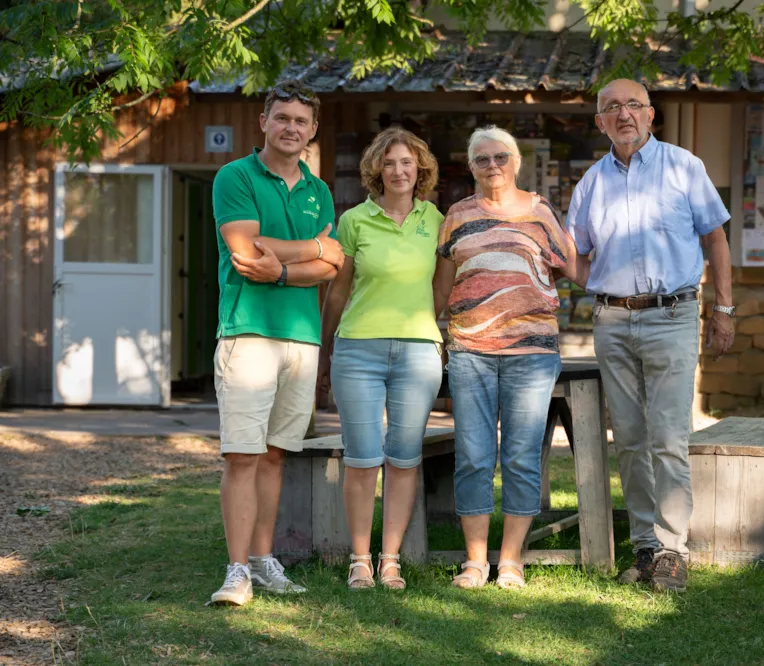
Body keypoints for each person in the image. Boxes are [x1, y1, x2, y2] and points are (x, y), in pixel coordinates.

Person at [565, 79, 735, 593]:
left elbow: (716, 237)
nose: (623, 114)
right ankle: (645, 545)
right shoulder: (591, 183)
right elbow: (575, 257)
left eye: (633, 105)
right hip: (612, 321)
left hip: (672, 315)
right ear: (599, 122)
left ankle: (673, 549)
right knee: (632, 440)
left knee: (667, 436)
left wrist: (723, 308)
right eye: (611, 108)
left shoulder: (684, 166)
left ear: (651, 115)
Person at [434, 126, 588, 590]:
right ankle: (476, 562)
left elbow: (571, 269)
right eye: (482, 159)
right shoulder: (457, 215)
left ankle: (512, 561)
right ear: (471, 167)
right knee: (474, 457)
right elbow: (442, 286)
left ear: (516, 162)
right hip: (470, 352)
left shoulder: (540, 212)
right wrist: (429, 330)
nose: (493, 165)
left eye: (501, 157)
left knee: (521, 456)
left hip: (531, 353)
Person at [209, 80, 345, 606]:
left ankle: (263, 560)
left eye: (302, 121)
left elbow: (331, 267)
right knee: (242, 456)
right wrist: (314, 248)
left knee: (274, 456)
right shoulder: (235, 176)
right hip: (248, 333)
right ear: (263, 122)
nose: (292, 128)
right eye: (282, 118)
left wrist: (286, 267)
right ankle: (236, 569)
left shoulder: (319, 190)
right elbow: (246, 251)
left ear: (313, 132)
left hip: (301, 339)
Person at [319, 127, 444, 590]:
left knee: (404, 458)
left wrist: (424, 327)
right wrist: (324, 348)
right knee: (362, 458)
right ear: (377, 170)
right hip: (358, 351)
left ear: (420, 170)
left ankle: (389, 560)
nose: (398, 171)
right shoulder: (354, 220)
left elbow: (441, 288)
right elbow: (339, 290)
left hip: (417, 353)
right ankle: (359, 560)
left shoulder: (437, 220)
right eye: (389, 163)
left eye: (407, 163)